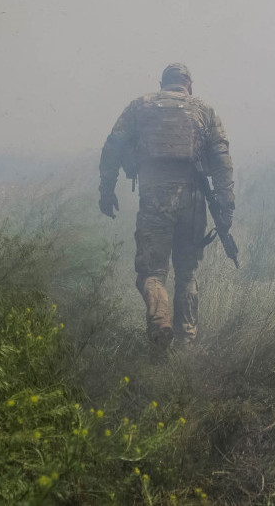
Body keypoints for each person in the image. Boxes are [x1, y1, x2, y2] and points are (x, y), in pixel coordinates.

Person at [98, 63, 235, 355]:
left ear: (162, 84)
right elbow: (222, 162)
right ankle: (185, 345)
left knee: (152, 272)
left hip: (155, 198)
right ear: (189, 85)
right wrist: (225, 209)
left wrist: (107, 190)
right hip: (194, 200)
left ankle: (160, 321)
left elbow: (113, 147)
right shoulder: (205, 111)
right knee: (187, 274)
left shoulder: (140, 106)